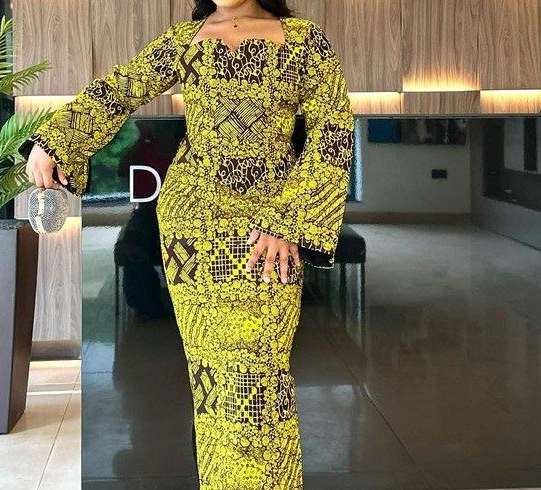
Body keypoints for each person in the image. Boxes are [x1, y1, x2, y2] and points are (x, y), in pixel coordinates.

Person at [21, 0, 355, 488]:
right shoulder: (185, 38)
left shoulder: (304, 38)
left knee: (261, 377)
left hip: (272, 228)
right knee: (212, 378)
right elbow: (119, 89)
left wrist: (290, 221)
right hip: (193, 231)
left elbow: (334, 130)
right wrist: (54, 142)